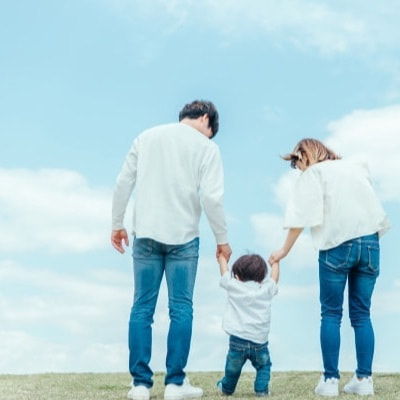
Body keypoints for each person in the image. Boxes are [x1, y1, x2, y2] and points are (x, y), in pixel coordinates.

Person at [111, 100, 232, 400]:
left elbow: (123, 182)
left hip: (146, 234)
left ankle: (140, 385)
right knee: (181, 309)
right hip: (184, 238)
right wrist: (222, 239)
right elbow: (212, 198)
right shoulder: (207, 148)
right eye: (211, 131)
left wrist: (117, 223)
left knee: (142, 307)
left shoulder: (147, 137)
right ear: (206, 119)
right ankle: (175, 384)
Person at [268, 138, 390, 397]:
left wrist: (283, 251)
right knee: (362, 314)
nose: (298, 170)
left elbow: (300, 218)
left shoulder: (314, 173)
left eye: (297, 164)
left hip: (337, 244)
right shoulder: (356, 165)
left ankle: (331, 381)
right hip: (370, 243)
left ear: (304, 155)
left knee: (331, 314)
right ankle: (364, 379)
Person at [216, 253, 279, 397]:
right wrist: (275, 262)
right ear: (262, 278)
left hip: (237, 340)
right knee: (264, 366)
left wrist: (222, 258)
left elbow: (224, 273)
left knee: (232, 369)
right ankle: (261, 390)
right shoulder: (265, 289)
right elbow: (274, 279)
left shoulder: (234, 286)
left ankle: (227, 388)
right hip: (260, 342)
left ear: (237, 276)